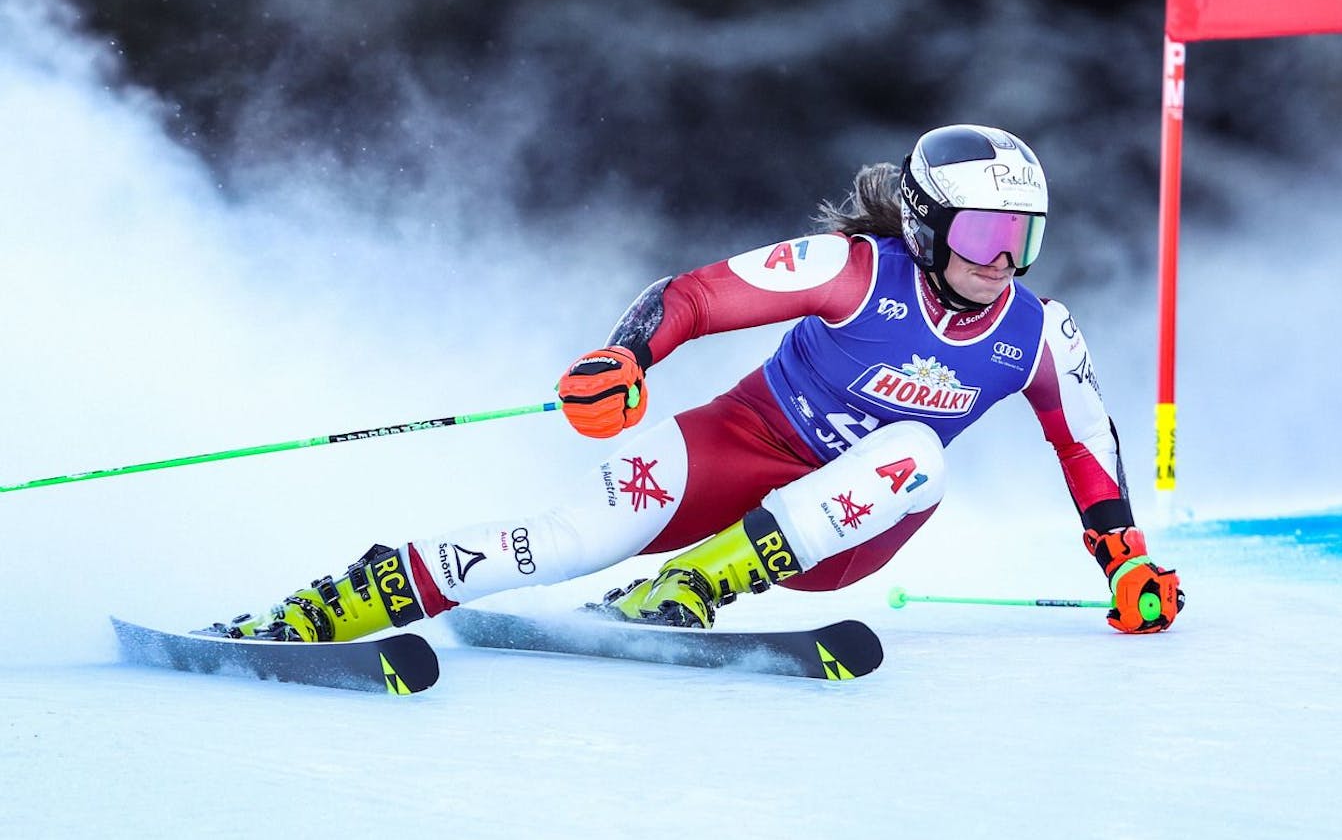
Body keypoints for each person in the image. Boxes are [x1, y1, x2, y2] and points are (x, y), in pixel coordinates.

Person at [212, 124, 1184, 642]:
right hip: (737, 446)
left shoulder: (1036, 331)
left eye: (1019, 237)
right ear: (928, 226)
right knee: (566, 537)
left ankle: (693, 587)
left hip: (842, 530)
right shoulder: (848, 269)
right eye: (979, 233)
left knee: (916, 451)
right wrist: (625, 358)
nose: (999, 259)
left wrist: (1124, 562)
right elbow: (696, 296)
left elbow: (1085, 448)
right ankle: (342, 603)